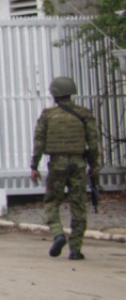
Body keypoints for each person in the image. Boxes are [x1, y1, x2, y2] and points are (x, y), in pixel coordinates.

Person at [30, 75, 100, 261]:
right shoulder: (85, 114)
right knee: (78, 206)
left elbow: (38, 142)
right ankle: (75, 250)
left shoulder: (47, 115)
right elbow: (93, 143)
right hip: (78, 164)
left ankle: (58, 234)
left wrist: (34, 166)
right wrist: (94, 166)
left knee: (52, 201)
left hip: (57, 164)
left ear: (54, 94)